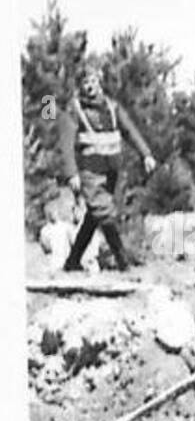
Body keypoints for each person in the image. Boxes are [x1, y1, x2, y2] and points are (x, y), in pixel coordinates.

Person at [58, 64, 157, 271]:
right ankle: (124, 263)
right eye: (85, 82)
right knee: (104, 212)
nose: (90, 86)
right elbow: (66, 143)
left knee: (94, 216)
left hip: (111, 170)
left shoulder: (112, 107)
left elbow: (130, 130)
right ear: (80, 86)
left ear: (99, 82)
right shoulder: (74, 109)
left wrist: (146, 154)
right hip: (89, 170)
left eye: (93, 81)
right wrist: (71, 173)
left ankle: (72, 262)